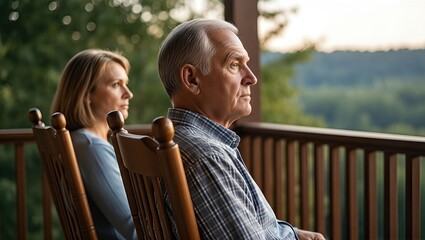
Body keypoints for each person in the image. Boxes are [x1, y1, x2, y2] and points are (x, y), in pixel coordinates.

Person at [157, 19, 325, 240]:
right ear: (192, 79)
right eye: (234, 65)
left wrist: (293, 234)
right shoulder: (207, 157)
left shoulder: (179, 142)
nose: (252, 78)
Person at [51, 49, 137, 239]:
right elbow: (134, 230)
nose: (128, 94)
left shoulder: (78, 141)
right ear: (86, 94)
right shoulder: (91, 147)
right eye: (116, 85)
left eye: (126, 84)